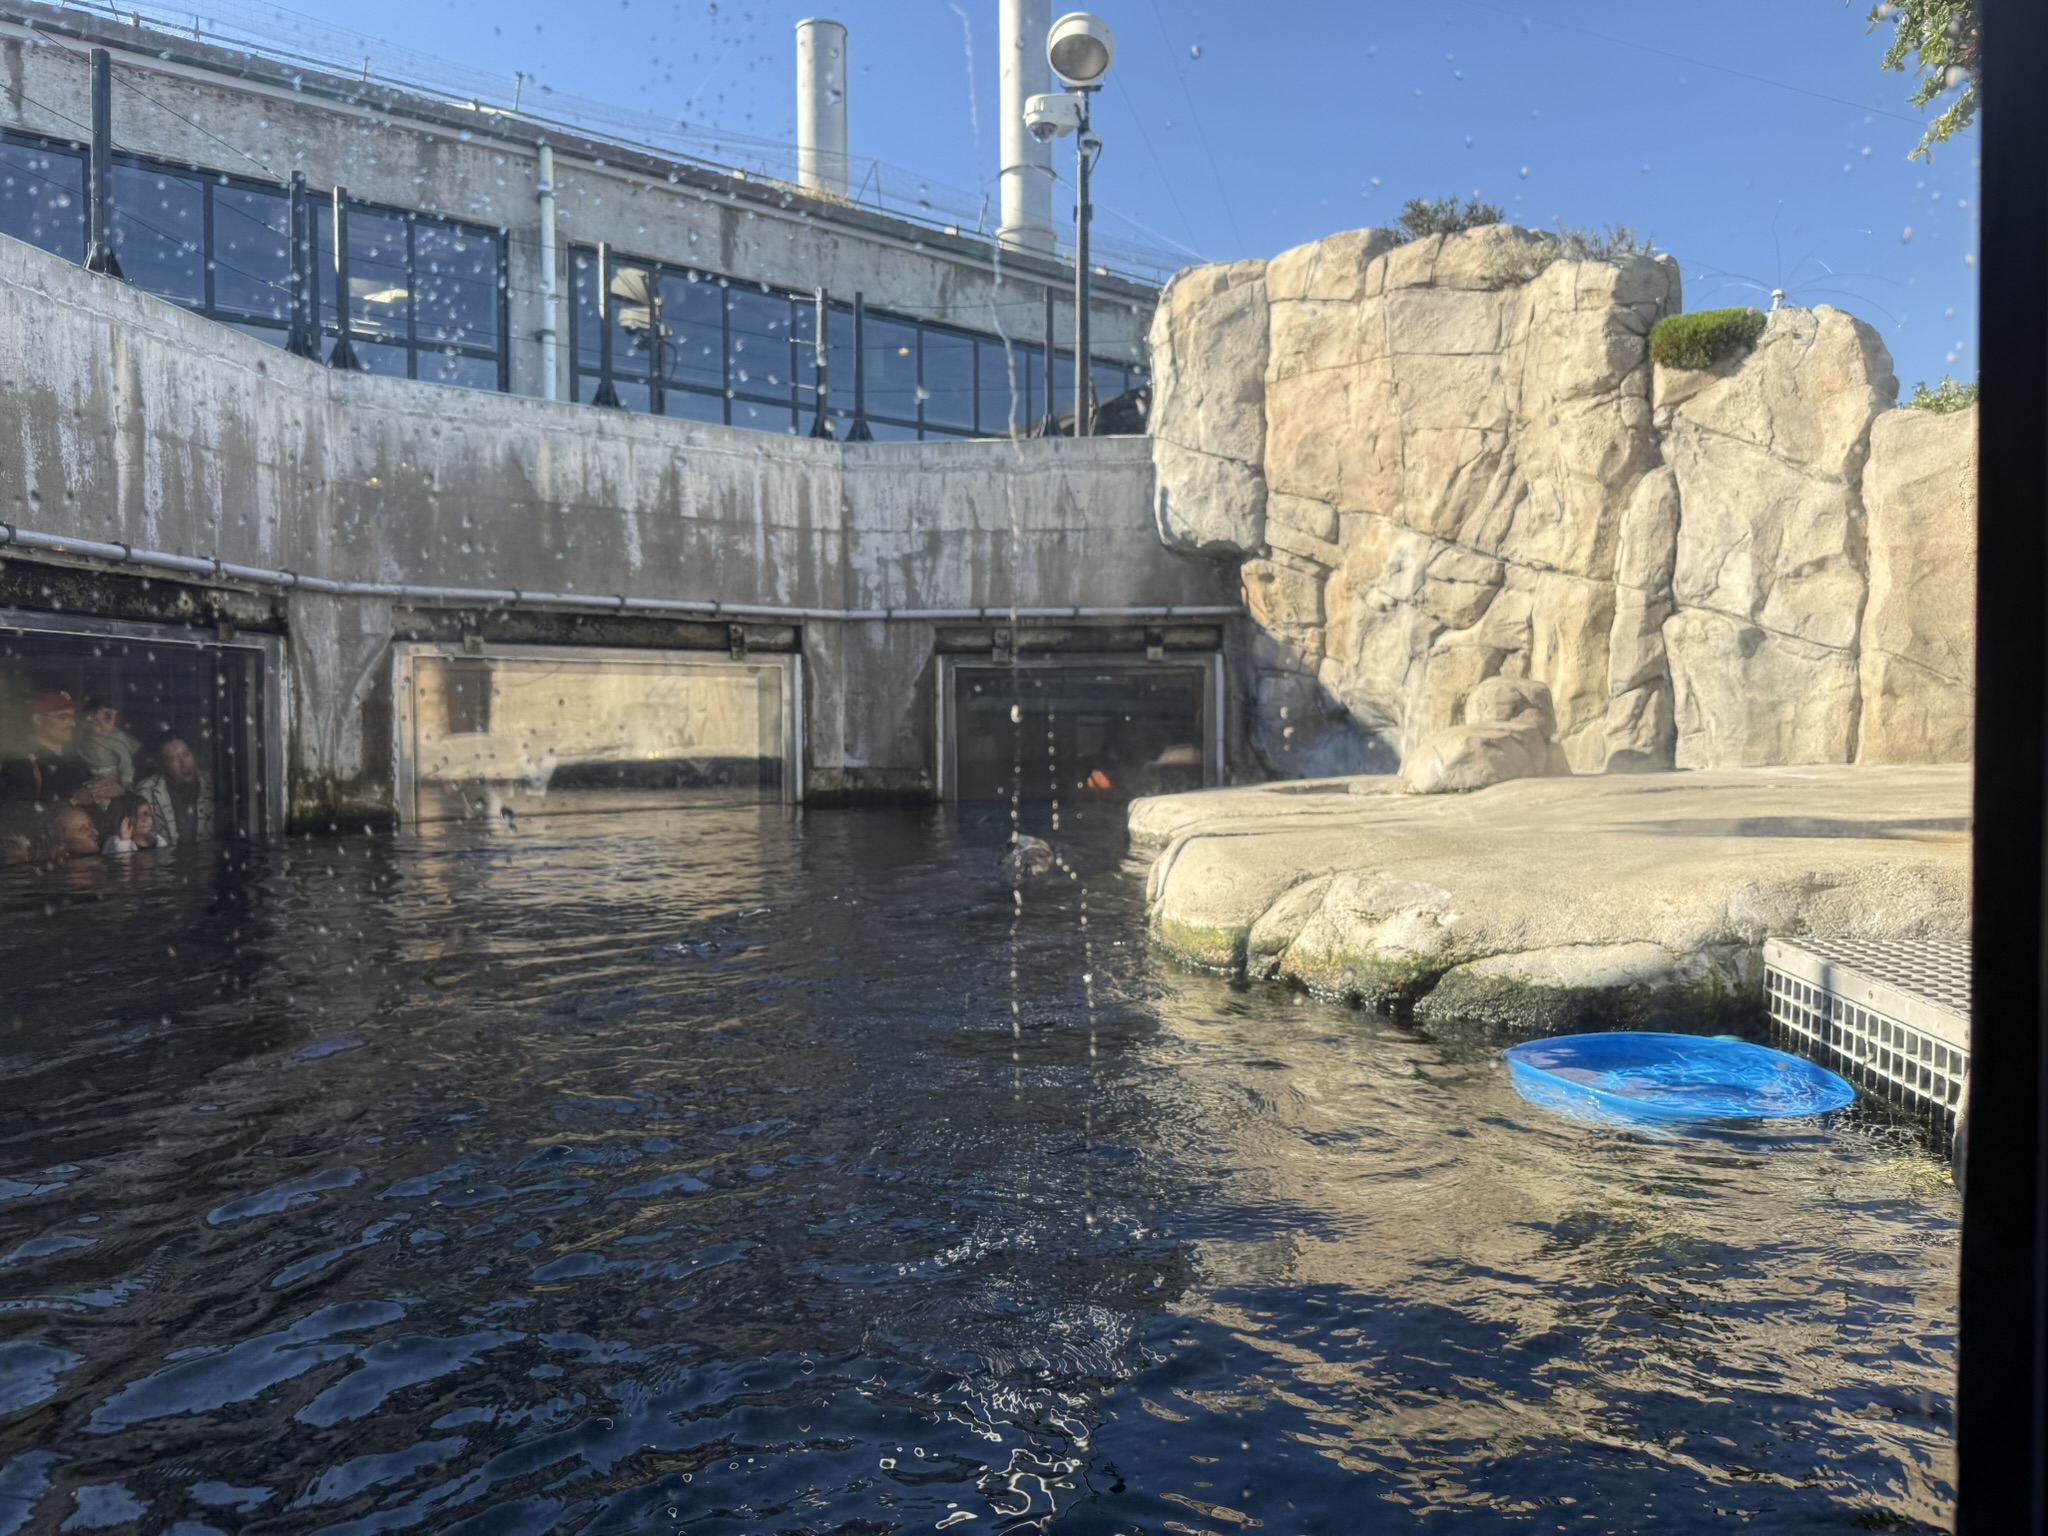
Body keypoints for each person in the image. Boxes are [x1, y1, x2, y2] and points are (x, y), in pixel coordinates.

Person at [0, 691, 120, 810]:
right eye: (63, 717)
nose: (72, 724)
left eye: (72, 717)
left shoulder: (74, 758)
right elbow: (18, 815)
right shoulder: (19, 762)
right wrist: (73, 801)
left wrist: (113, 789)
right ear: (38, 720)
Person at [136, 736, 215, 848]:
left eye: (186, 755)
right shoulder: (146, 791)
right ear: (162, 766)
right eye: (173, 760)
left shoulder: (213, 785)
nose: (184, 764)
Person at [78, 697, 140, 787]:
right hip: (94, 773)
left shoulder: (114, 740)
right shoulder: (83, 738)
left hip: (114, 772)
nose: (103, 726)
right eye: (96, 722)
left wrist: (126, 781)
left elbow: (126, 761)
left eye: (108, 720)